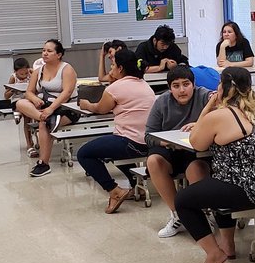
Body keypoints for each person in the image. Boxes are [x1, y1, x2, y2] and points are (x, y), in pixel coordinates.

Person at [175, 68, 255, 263]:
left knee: (183, 199)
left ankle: (214, 254)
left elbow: (196, 142)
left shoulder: (221, 115)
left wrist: (209, 104)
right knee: (217, 184)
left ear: (225, 87)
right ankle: (228, 247)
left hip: (248, 188)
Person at [77, 49, 156, 212]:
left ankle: (114, 191)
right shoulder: (144, 84)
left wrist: (85, 104)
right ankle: (134, 184)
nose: (111, 70)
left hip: (130, 142)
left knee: (84, 153)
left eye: (112, 66)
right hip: (148, 142)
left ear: (120, 68)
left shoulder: (116, 87)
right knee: (109, 146)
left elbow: (100, 109)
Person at [145, 65, 213, 237]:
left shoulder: (205, 96)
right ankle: (178, 214)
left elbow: (222, 110)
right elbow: (148, 136)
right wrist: (164, 142)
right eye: (176, 86)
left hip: (198, 151)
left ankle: (202, 215)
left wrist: (200, 124)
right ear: (170, 88)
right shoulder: (161, 102)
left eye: (186, 84)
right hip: (172, 150)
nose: (182, 90)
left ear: (194, 84)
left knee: (196, 169)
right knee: (153, 161)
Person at [16, 39, 79, 178]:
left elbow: (67, 93)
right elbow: (29, 92)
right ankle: (44, 117)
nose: (45, 53)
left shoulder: (67, 69)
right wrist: (34, 99)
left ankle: (43, 163)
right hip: (44, 108)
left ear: (59, 54)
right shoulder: (38, 71)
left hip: (65, 107)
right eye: (44, 50)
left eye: (49, 51)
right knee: (20, 104)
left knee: (44, 124)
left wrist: (51, 109)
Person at [4, 57, 37, 158]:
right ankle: (17, 112)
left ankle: (30, 144)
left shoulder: (30, 75)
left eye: (26, 73)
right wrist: (14, 89)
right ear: (15, 72)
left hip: (28, 100)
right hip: (17, 101)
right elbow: (6, 96)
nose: (24, 76)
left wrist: (33, 73)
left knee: (28, 118)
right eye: (21, 74)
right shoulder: (13, 78)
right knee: (24, 110)